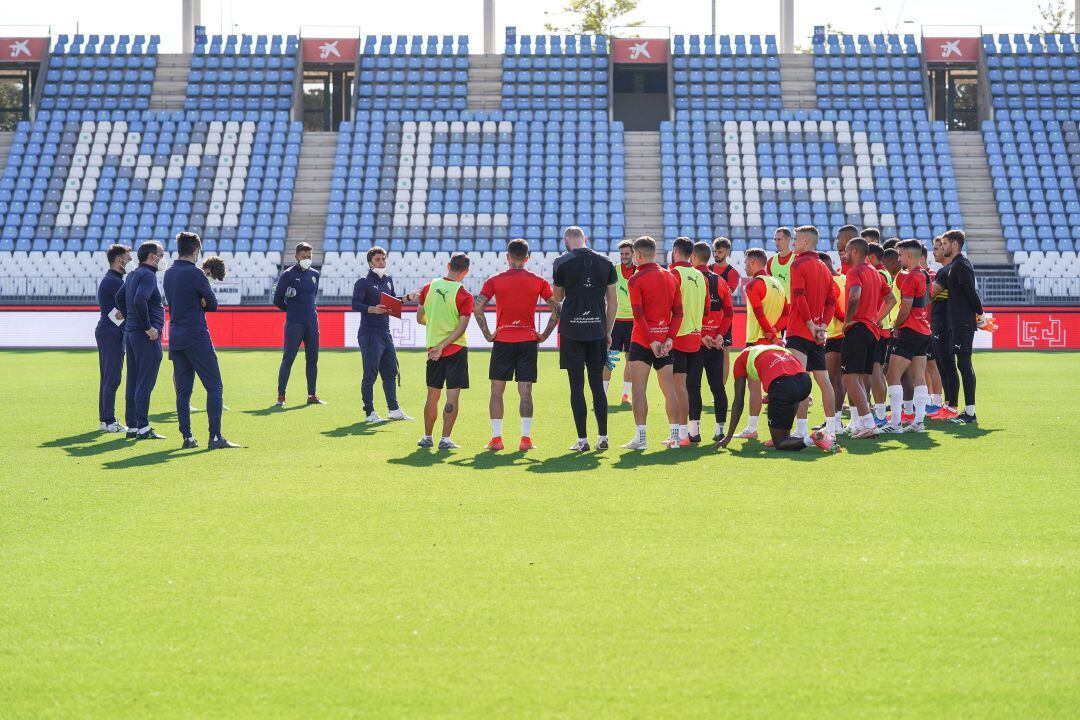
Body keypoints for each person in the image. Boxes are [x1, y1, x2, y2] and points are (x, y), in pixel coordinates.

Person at [473, 239, 559, 452]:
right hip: (528, 341)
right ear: (527, 258)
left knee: (496, 391)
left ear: (508, 257)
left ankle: (497, 439)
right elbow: (557, 310)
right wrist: (544, 335)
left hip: (503, 340)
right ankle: (526, 439)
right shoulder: (538, 280)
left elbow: (477, 307)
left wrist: (487, 334)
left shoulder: (495, 280)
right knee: (526, 392)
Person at [162, 231, 241, 449]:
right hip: (196, 335)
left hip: (176, 336)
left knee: (183, 391)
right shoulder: (196, 274)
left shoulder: (168, 273)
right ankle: (215, 437)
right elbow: (213, 304)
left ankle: (187, 437)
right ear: (196, 250)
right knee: (214, 386)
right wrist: (202, 302)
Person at [552, 226, 618, 452]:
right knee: (597, 386)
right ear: (585, 239)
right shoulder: (606, 262)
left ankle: (582, 440)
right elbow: (613, 302)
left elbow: (557, 298)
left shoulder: (561, 262)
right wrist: (608, 331)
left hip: (572, 331)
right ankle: (603, 437)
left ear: (566, 241)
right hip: (597, 331)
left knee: (576, 387)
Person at [718, 344, 837, 453]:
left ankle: (813, 438)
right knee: (789, 405)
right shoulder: (774, 349)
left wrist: (728, 436)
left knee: (780, 444)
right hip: (804, 382)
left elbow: (738, 402)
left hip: (783, 386)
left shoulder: (740, 359)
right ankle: (784, 435)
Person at [623, 236, 683, 450]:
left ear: (638, 255)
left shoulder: (635, 279)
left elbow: (638, 315)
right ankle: (675, 438)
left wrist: (650, 341)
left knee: (639, 390)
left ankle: (641, 439)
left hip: (642, 341)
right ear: (654, 252)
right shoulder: (670, 277)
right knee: (670, 391)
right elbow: (678, 313)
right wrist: (668, 339)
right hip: (664, 341)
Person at [416, 252, 474, 450]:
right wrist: (444, 345)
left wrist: (437, 340)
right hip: (456, 349)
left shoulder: (428, 287)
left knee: (432, 396)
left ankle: (427, 437)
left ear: (448, 264)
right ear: (466, 271)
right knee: (452, 397)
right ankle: (446, 439)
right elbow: (462, 327)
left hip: (433, 350)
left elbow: (419, 318)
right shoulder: (464, 295)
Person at [785, 225, 838, 439]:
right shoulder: (824, 268)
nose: (793, 243)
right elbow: (831, 301)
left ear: (806, 241)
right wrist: (822, 326)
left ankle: (800, 429)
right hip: (817, 334)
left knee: (800, 381)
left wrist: (809, 325)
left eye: (796, 239)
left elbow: (799, 296)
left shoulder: (797, 264)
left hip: (800, 330)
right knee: (824, 382)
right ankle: (832, 429)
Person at [351, 246, 414, 423]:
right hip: (369, 332)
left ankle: (393, 409)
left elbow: (393, 302)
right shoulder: (363, 282)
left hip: (385, 332)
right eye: (378, 259)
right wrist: (371, 309)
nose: (382, 262)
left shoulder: (388, 279)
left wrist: (407, 298)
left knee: (390, 372)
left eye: (384, 258)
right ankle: (369, 412)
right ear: (370, 262)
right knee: (370, 374)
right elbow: (355, 304)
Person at [733, 247, 788, 440]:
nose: (745, 266)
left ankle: (752, 428)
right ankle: (780, 430)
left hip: (757, 341)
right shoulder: (778, 284)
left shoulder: (754, 285)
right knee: (775, 387)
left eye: (747, 262)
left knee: (754, 387)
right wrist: (776, 334)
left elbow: (759, 314)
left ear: (754, 263)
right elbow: (786, 314)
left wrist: (770, 334)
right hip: (774, 341)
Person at [840, 238, 892, 438]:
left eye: (846, 251)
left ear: (854, 251)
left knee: (850, 378)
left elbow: (854, 295)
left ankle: (868, 423)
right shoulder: (875, 273)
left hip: (858, 329)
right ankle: (863, 423)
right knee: (861, 378)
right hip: (871, 331)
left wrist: (847, 321)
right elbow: (891, 300)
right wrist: (876, 318)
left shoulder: (855, 272)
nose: (844, 255)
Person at [113, 241, 166, 440]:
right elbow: (139, 299)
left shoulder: (133, 274)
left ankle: (133, 426)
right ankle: (143, 427)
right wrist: (147, 327)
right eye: (161, 254)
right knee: (145, 382)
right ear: (152, 257)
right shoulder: (148, 276)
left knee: (133, 380)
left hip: (131, 333)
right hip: (144, 335)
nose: (163, 258)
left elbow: (119, 298)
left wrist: (130, 316)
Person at [880, 239, 932, 433]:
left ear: (909, 255)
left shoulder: (911, 278)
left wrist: (895, 326)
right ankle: (918, 422)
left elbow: (905, 308)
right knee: (919, 376)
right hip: (923, 329)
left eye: (900, 254)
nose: (898, 258)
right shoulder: (924, 275)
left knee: (893, 374)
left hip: (909, 330)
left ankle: (895, 424)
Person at [688, 241, 733, 442]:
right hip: (715, 343)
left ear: (693, 257)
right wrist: (720, 335)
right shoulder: (720, 281)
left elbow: (685, 313)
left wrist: (700, 336)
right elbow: (729, 312)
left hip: (695, 343)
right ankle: (720, 430)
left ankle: (694, 432)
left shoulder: (689, 279)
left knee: (693, 387)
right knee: (718, 388)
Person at [667, 237, 710, 446]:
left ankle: (681, 435)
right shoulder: (700, 276)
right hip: (696, 336)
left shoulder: (674, 274)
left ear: (675, 251)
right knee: (690, 387)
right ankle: (688, 432)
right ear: (691, 254)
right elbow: (707, 310)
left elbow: (668, 306)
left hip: (678, 337)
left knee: (678, 389)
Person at [941, 228, 984, 424]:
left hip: (962, 323)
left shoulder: (961, 265)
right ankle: (968, 411)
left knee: (964, 364)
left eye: (945, 244)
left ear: (955, 244)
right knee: (962, 364)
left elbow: (970, 292)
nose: (943, 248)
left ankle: (970, 413)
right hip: (958, 322)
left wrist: (980, 314)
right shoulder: (957, 265)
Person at [273, 242, 323, 406]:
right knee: (288, 358)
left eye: (309, 256)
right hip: (294, 323)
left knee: (313, 358)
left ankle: (312, 395)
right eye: (303, 257)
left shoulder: (315, 274)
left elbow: (312, 297)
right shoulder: (287, 275)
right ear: (296, 257)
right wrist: (292, 310)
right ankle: (281, 396)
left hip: (311, 322)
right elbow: (277, 299)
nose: (307, 259)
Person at [95, 243, 131, 433]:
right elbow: (125, 309)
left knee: (108, 377)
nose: (131, 260)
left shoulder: (112, 280)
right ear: (119, 260)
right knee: (112, 377)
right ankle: (109, 421)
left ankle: (105, 420)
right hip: (111, 332)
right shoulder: (115, 282)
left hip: (108, 331)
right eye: (128, 257)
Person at [927, 236, 959, 419]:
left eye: (938, 248)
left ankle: (952, 406)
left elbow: (930, 295)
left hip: (943, 322)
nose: (935, 252)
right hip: (942, 321)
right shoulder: (946, 271)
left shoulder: (945, 272)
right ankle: (947, 405)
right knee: (943, 364)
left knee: (947, 364)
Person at [818, 251, 847, 434]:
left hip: (836, 334)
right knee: (841, 379)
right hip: (847, 333)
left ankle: (834, 422)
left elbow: (834, 309)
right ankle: (836, 421)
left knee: (831, 380)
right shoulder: (844, 278)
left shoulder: (830, 282)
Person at [606, 239, 636, 404]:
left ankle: (625, 396)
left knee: (630, 360)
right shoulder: (613, 270)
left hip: (633, 322)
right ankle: (602, 394)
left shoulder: (639, 271)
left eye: (627, 254)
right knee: (608, 359)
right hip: (615, 321)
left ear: (633, 254)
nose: (624, 256)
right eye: (622, 254)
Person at [709, 236, 741, 382]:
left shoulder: (732, 273)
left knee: (724, 354)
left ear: (727, 252)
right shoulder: (708, 269)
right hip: (706, 317)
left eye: (720, 251)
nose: (716, 254)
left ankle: (720, 389)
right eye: (715, 251)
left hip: (723, 318)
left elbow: (726, 292)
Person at [766, 226, 794, 298]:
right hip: (778, 305)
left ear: (788, 240)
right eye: (775, 239)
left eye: (779, 239)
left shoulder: (797, 259)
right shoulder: (770, 262)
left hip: (793, 306)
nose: (776, 242)